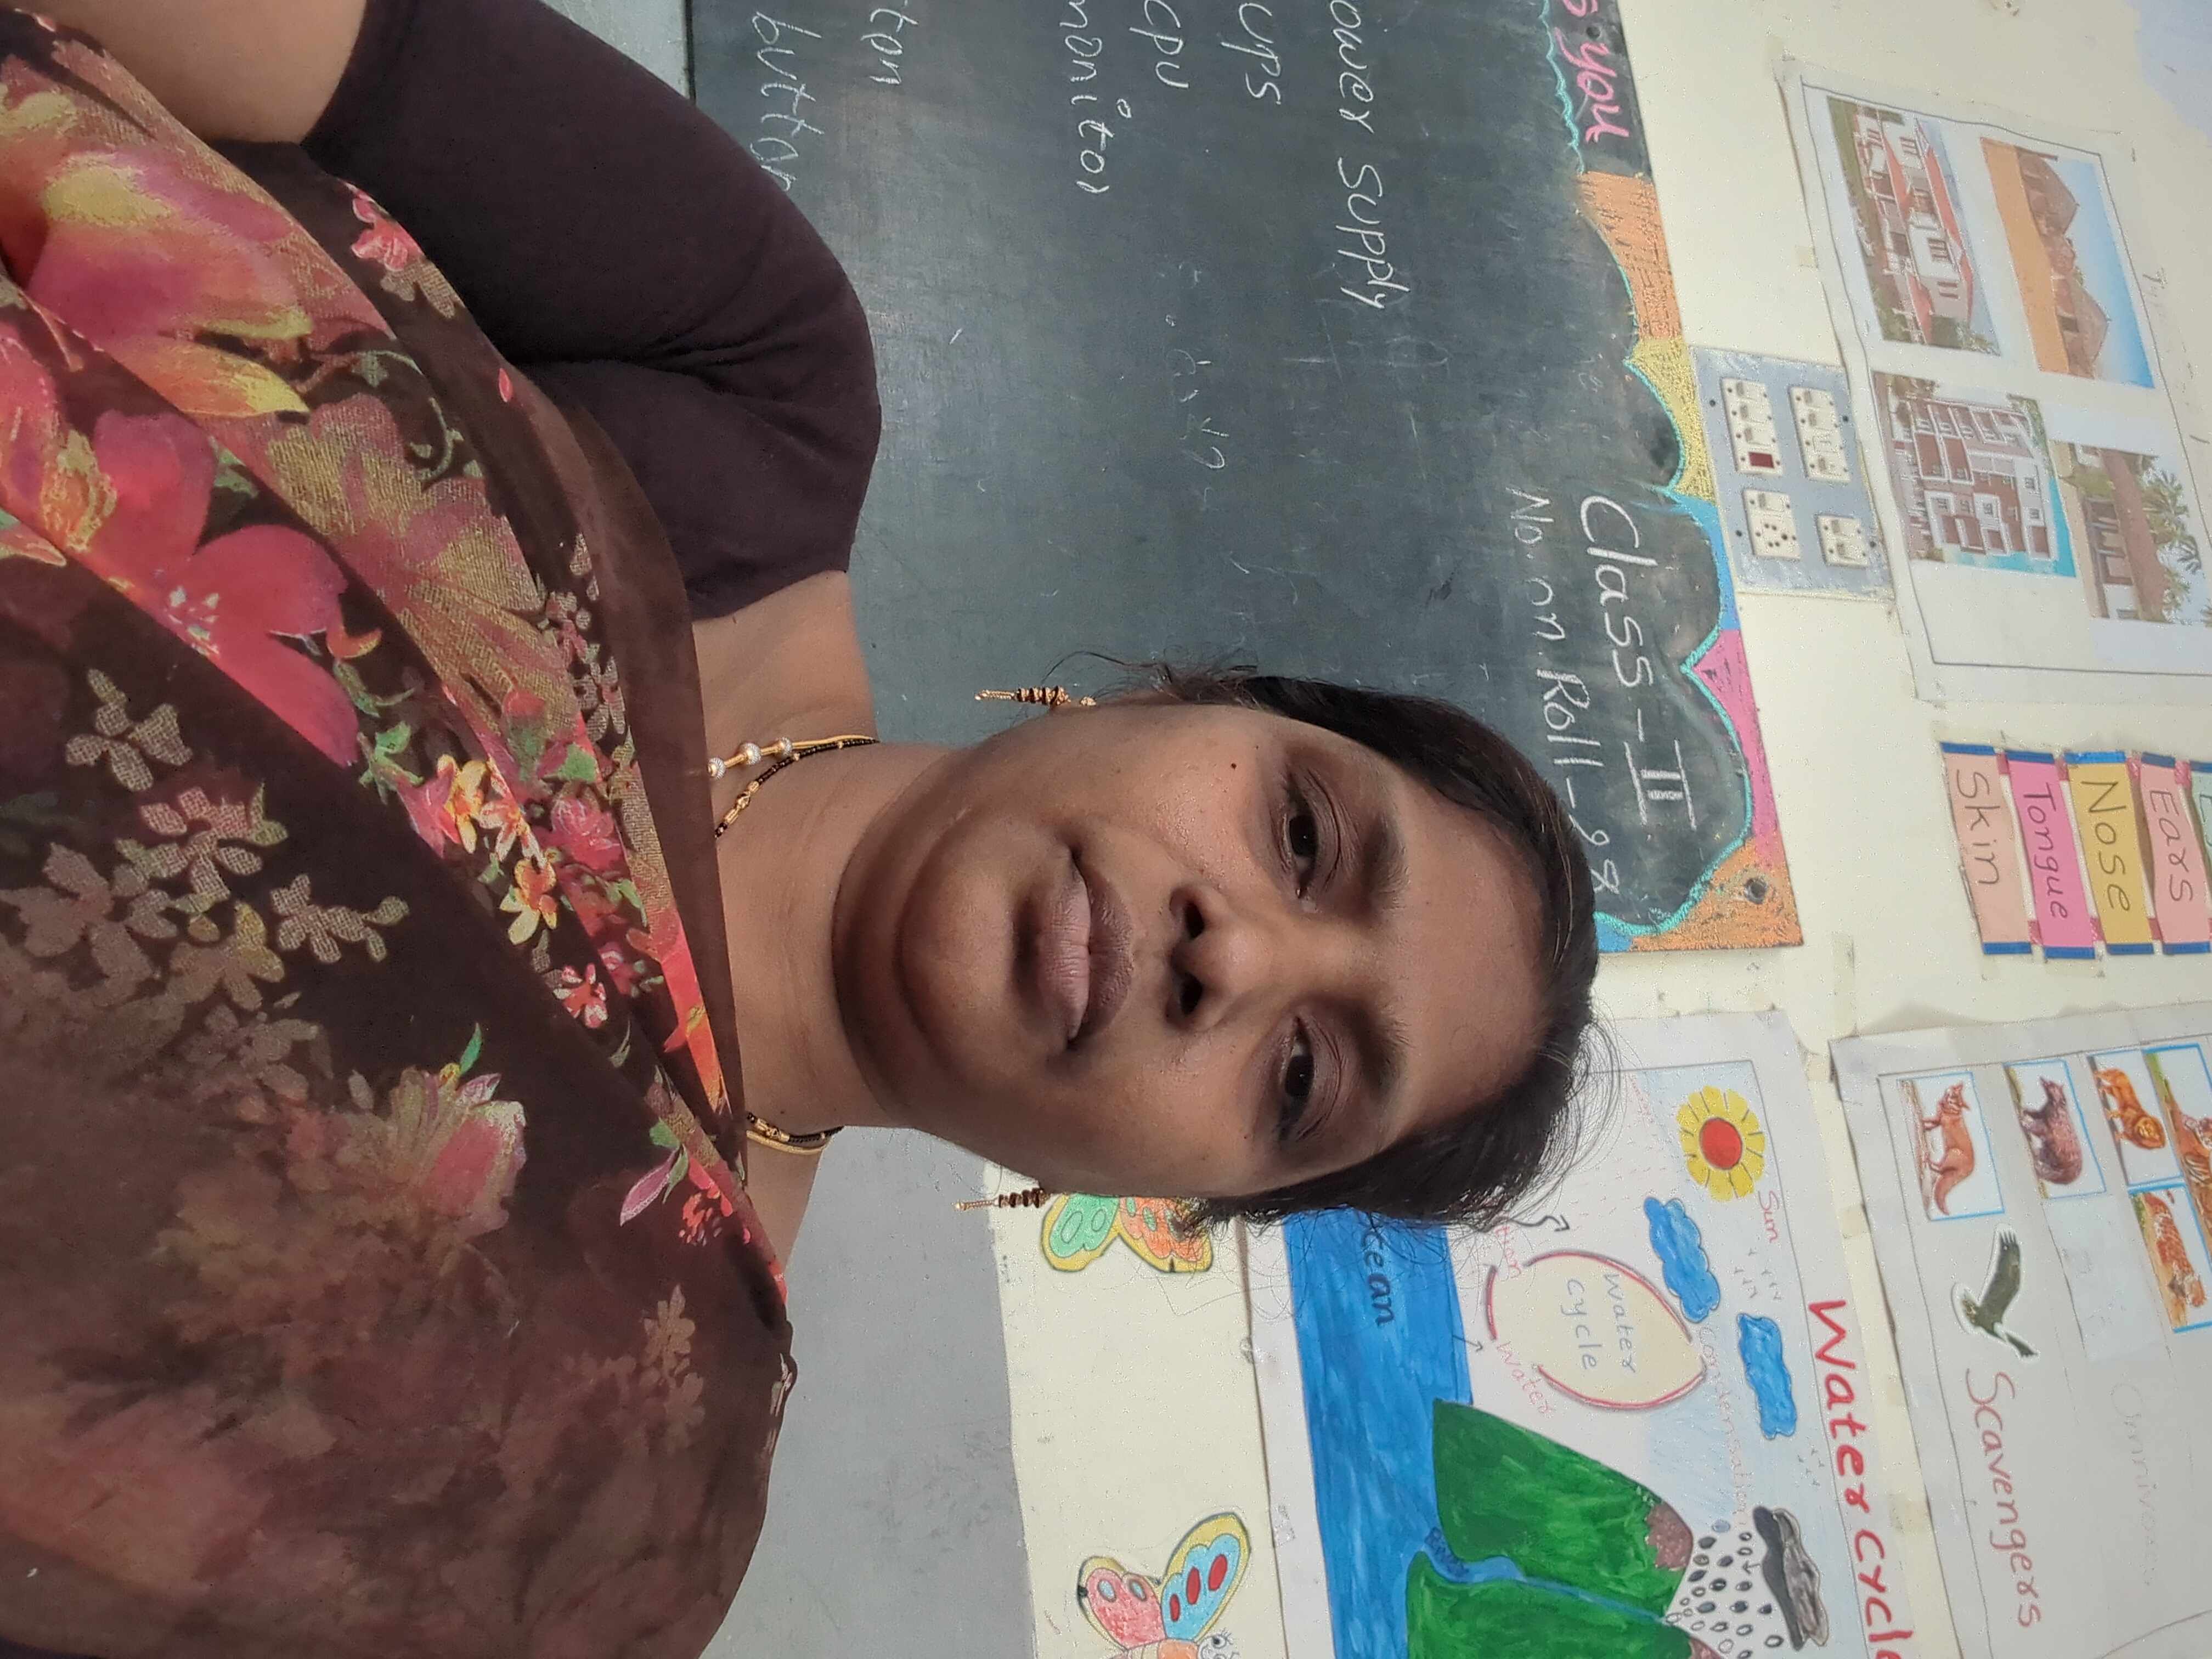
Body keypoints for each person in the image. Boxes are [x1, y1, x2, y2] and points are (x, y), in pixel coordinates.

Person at [0, 1, 1600, 1654]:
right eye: (1305, 837)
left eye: (1302, 1077)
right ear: (1179, 691)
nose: (1237, 958)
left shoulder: (607, 1494)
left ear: (1172, 1205)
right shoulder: (752, 376)